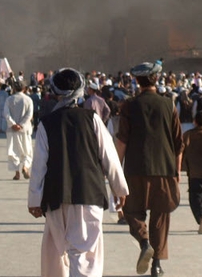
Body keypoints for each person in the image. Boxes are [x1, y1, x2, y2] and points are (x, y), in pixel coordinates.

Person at [27, 68, 129, 277]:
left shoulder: (47, 123)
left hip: (56, 198)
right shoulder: (92, 119)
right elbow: (109, 157)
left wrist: (34, 200)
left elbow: (39, 167)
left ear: (56, 92)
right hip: (88, 194)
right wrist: (119, 189)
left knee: (56, 250)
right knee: (85, 255)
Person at [116, 60, 183, 277]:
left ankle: (144, 242)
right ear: (157, 79)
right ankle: (156, 265)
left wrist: (115, 173)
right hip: (165, 169)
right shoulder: (169, 105)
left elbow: (122, 141)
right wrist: (177, 172)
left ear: (137, 81)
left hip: (136, 167)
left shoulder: (129, 106)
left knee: (132, 211)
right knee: (161, 217)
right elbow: (178, 143)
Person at [3, 78, 34, 180]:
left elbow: (6, 113)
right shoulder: (28, 100)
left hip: (12, 130)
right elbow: (29, 115)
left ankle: (17, 173)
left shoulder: (9, 99)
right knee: (27, 150)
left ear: (14, 88)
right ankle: (25, 167)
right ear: (24, 88)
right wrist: (21, 125)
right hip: (24, 130)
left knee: (14, 151)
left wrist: (13, 124)